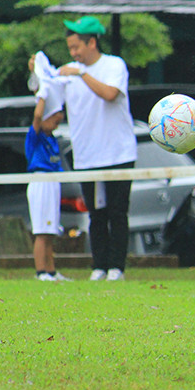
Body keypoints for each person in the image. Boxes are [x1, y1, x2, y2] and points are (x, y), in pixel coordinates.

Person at [56, 16, 137, 281]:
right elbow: (44, 92)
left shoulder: (114, 65)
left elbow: (110, 94)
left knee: (117, 212)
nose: (73, 53)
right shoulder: (69, 71)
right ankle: (99, 266)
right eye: (70, 48)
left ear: (92, 42)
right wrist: (38, 73)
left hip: (118, 153)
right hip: (87, 156)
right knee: (96, 215)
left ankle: (117, 268)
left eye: (76, 47)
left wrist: (82, 73)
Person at [26, 81, 69, 282]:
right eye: (51, 118)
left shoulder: (53, 139)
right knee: (42, 230)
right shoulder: (35, 137)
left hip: (53, 182)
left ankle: (51, 271)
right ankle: (40, 272)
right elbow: (37, 116)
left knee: (51, 231)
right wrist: (42, 93)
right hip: (40, 182)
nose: (55, 122)